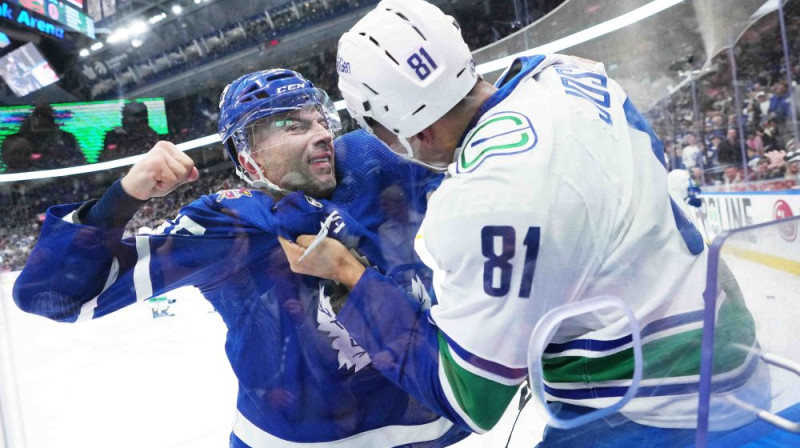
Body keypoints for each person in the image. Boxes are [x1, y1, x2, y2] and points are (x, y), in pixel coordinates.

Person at [278, 0, 764, 446]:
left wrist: (351, 277)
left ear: (417, 132)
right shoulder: (570, 74)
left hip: (658, 411)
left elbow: (467, 396)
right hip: (733, 348)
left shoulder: (480, 202)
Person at [13, 69, 467, 447]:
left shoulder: (374, 161)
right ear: (248, 159)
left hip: (425, 412)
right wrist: (120, 198)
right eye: (293, 125)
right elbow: (54, 297)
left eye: (320, 119)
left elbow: (486, 158)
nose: (323, 133)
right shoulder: (224, 226)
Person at [1, 104, 84, 171]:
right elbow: (10, 164)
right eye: (38, 115)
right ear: (31, 119)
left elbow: (80, 164)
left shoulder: (66, 138)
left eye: (46, 116)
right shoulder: (16, 141)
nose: (42, 119)